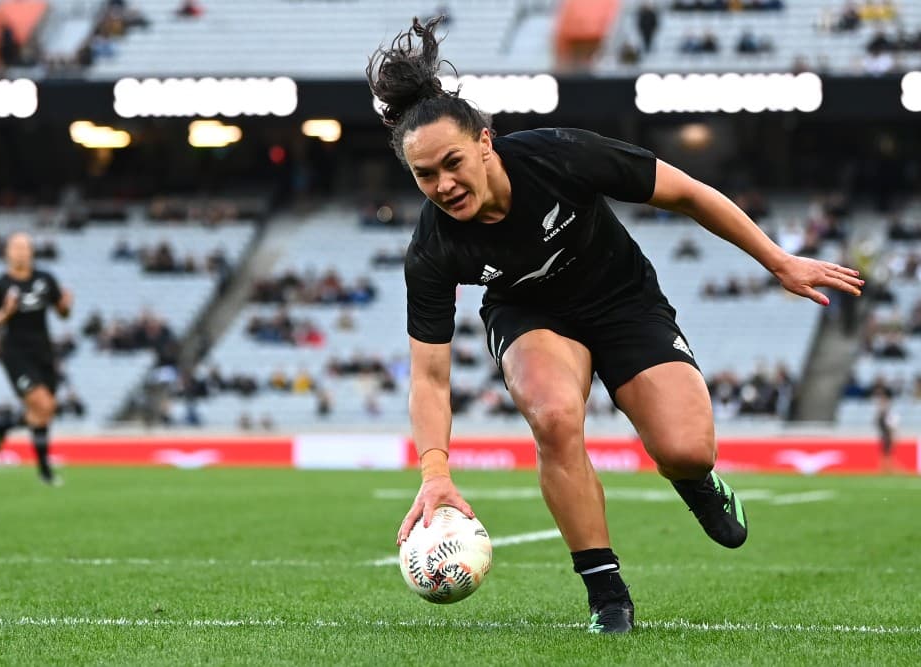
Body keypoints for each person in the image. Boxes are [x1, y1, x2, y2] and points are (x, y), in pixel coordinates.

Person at [367, 17, 864, 635]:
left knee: (684, 448)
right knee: (552, 417)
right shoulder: (434, 248)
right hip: (532, 315)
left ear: (486, 143)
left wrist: (779, 261)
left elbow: (686, 193)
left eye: (453, 163)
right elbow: (430, 376)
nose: (443, 185)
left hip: (622, 297)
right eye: (424, 176)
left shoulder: (559, 156)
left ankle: (697, 482)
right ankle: (607, 596)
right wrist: (435, 474)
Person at [0, 232, 73, 485]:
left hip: (44, 351)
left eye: (26, 247)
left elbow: (62, 312)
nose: (21, 252)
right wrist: (5, 312)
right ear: (8, 253)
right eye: (16, 248)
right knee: (43, 405)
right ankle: (44, 470)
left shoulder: (45, 279)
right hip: (15, 353)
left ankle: (5, 427)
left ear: (32, 251)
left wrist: (66, 305)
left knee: (44, 411)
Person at [875, 391, 897, 474]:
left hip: (886, 435)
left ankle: (887, 468)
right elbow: (888, 426)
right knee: (886, 452)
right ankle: (885, 468)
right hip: (885, 435)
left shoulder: (886, 414)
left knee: (887, 452)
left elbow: (891, 425)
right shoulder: (882, 414)